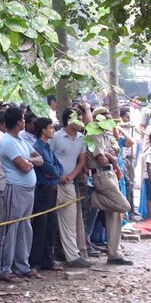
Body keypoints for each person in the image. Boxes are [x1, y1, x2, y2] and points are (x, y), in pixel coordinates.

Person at [80, 104, 133, 265]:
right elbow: (101, 159)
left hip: (109, 173)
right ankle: (92, 200)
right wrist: (112, 158)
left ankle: (114, 253)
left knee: (115, 214)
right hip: (101, 174)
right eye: (106, 117)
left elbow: (109, 155)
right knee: (124, 206)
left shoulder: (105, 135)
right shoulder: (94, 134)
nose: (110, 120)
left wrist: (112, 159)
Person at [0, 107, 44, 282]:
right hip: (14, 189)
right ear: (18, 122)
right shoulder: (8, 142)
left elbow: (39, 159)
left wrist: (29, 160)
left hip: (28, 190)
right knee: (10, 229)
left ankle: (22, 265)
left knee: (25, 228)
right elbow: (22, 167)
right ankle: (4, 268)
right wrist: (29, 162)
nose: (25, 121)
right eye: (23, 119)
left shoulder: (21, 140)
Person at [49, 108, 91, 267]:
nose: (81, 121)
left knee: (70, 220)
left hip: (70, 183)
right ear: (69, 120)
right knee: (50, 222)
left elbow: (82, 160)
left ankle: (73, 256)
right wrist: (57, 175)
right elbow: (49, 156)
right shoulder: (56, 137)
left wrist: (71, 176)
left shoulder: (82, 139)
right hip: (54, 184)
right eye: (78, 118)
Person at [29, 117, 66, 271]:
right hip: (43, 189)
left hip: (52, 188)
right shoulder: (36, 147)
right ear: (43, 130)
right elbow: (48, 168)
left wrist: (55, 173)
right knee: (40, 225)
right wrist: (54, 172)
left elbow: (58, 167)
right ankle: (35, 262)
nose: (53, 130)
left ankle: (48, 260)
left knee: (50, 225)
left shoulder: (48, 147)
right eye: (51, 128)